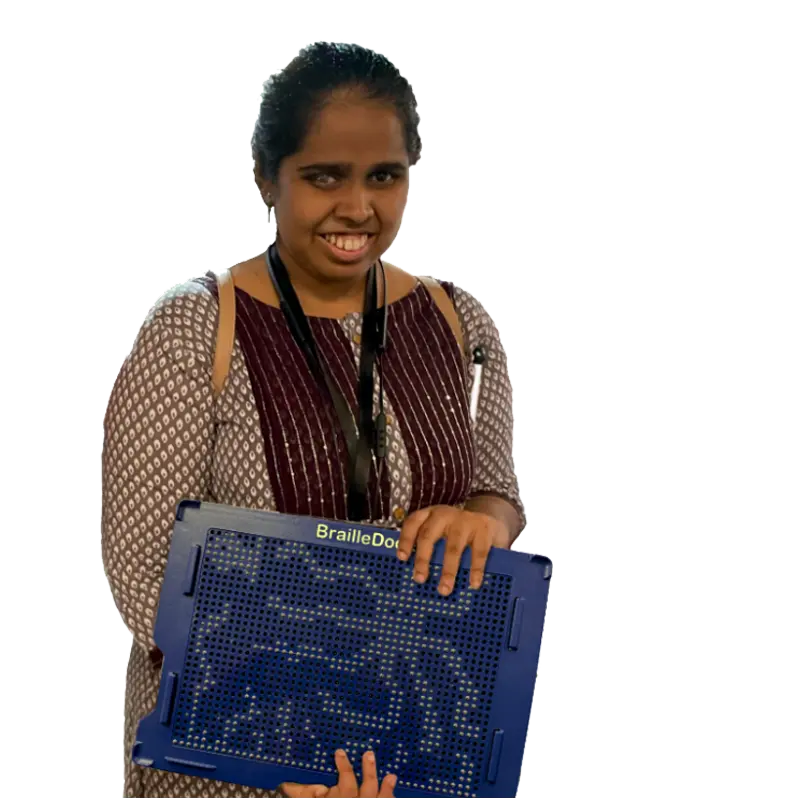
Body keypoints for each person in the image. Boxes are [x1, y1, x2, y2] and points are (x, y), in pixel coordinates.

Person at [101, 39, 526, 800]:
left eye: (384, 177)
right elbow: (148, 584)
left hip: (414, 753)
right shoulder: (197, 332)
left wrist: (482, 523)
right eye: (324, 176)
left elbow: (496, 494)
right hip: (239, 760)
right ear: (269, 178)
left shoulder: (456, 321)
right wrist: (294, 742)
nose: (358, 208)